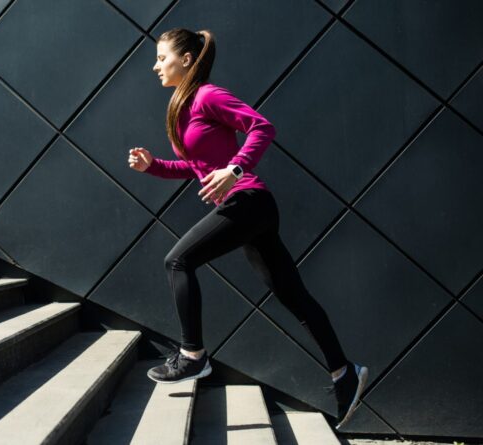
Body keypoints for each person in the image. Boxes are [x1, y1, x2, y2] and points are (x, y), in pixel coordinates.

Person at [127, 27, 368, 430]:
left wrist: (235, 168)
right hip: (247, 208)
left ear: (186, 59)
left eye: (161, 57)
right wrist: (152, 165)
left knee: (177, 261)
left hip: (249, 201)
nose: (155, 66)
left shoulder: (208, 95)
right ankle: (344, 373)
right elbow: (197, 168)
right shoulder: (182, 105)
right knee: (294, 297)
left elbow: (262, 127)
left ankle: (192, 356)